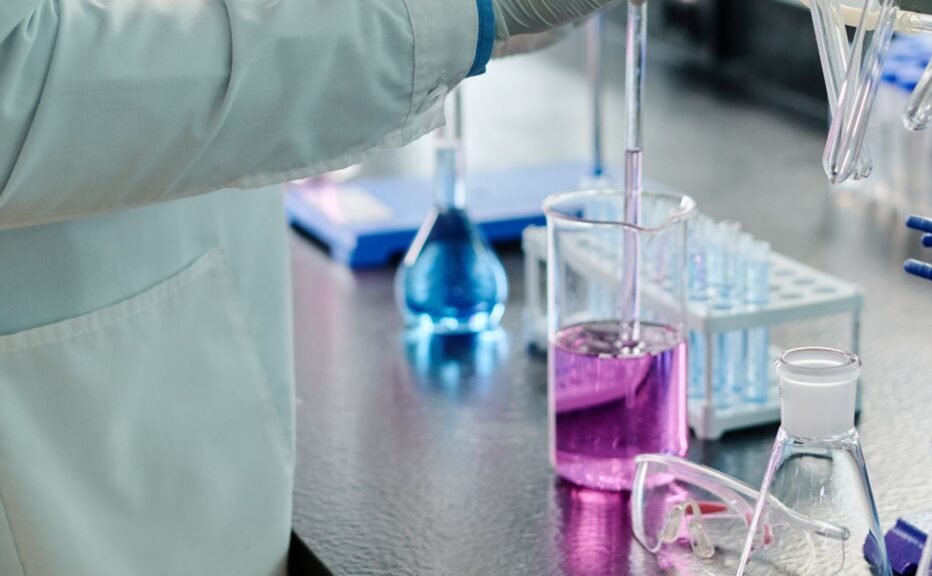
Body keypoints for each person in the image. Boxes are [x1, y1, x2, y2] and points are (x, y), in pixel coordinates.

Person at [0, 0, 614, 574]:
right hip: (65, 461)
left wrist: (456, 22)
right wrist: (447, 14)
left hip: (165, 384)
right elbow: (16, 73)